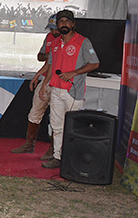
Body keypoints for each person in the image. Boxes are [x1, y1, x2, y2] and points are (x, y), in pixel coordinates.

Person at [39, 9, 99, 169]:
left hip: (73, 92)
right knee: (56, 126)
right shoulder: (56, 42)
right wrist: (44, 85)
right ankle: (57, 157)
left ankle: (73, 159)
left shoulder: (83, 42)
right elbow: (50, 65)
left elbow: (94, 63)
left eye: (67, 21)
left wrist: (74, 72)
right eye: (60, 22)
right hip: (56, 90)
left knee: (72, 127)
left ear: (73, 24)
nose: (63, 24)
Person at [10, 15, 60, 160]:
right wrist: (38, 75)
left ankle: (54, 149)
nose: (54, 32)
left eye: (56, 29)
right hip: (46, 77)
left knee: (56, 118)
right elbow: (41, 57)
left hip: (59, 83)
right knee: (35, 112)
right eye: (52, 29)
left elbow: (53, 63)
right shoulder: (50, 38)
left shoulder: (66, 41)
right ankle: (29, 144)